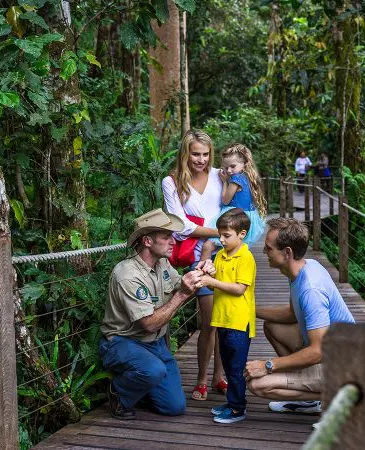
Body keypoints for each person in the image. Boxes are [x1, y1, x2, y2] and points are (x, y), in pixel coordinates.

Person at [99, 209, 215, 419]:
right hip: (123, 342)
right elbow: (150, 324)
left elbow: (181, 283)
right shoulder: (127, 275)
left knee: (174, 407)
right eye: (166, 237)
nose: (173, 242)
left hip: (156, 344)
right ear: (147, 241)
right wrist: (181, 295)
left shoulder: (161, 262)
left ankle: (142, 385)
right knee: (153, 371)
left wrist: (201, 271)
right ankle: (119, 392)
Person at [244, 217, 355, 413]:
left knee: (258, 385)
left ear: (287, 253)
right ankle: (308, 397)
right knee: (271, 326)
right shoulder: (303, 267)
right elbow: (292, 314)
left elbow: (317, 351)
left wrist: (267, 366)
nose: (264, 252)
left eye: (269, 248)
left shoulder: (311, 289)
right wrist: (250, 310)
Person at [161, 129, 227, 401]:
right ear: (185, 153)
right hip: (198, 258)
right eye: (195, 154)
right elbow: (180, 227)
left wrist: (224, 235)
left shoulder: (220, 176)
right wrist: (221, 232)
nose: (201, 159)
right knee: (209, 321)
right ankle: (201, 378)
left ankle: (219, 377)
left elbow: (236, 208)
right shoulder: (172, 181)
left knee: (227, 321)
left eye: (205, 154)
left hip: (229, 255)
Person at [199, 209, 257, 424]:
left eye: (226, 236)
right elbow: (220, 278)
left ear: (242, 234)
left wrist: (211, 283)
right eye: (220, 235)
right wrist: (208, 269)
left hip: (239, 322)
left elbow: (239, 288)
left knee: (235, 368)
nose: (221, 239)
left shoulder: (246, 257)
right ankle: (232, 401)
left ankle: (237, 409)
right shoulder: (222, 255)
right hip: (222, 318)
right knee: (227, 362)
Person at [199, 143, 268, 262]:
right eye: (226, 167)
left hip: (234, 217)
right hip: (246, 217)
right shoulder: (247, 177)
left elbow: (225, 200)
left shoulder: (235, 180)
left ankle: (201, 275)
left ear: (244, 164)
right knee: (234, 250)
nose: (229, 170)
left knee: (207, 246)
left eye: (232, 166)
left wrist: (225, 182)